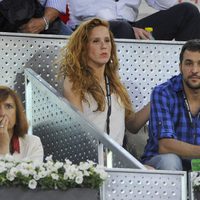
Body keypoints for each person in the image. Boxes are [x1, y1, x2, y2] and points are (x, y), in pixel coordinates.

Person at [58, 18, 150, 147]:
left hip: (116, 162)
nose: (104, 46)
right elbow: (78, 130)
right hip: (90, 160)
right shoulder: (74, 81)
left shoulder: (115, 83)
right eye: (96, 41)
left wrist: (156, 100)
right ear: (83, 48)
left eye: (107, 40)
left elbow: (132, 125)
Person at [141, 39, 200, 171]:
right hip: (161, 161)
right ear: (180, 67)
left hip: (197, 164)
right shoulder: (163, 93)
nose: (195, 70)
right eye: (189, 63)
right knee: (170, 160)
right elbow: (165, 146)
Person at [67, 0, 200, 41]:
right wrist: (128, 28)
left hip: (130, 28)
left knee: (188, 12)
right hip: (91, 27)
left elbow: (165, 3)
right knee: (123, 28)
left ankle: (188, 71)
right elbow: (80, 11)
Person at [0, 86, 44, 162]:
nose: (2, 113)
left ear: (17, 114)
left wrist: (4, 149)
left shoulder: (33, 143)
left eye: (8, 106)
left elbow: (31, 174)